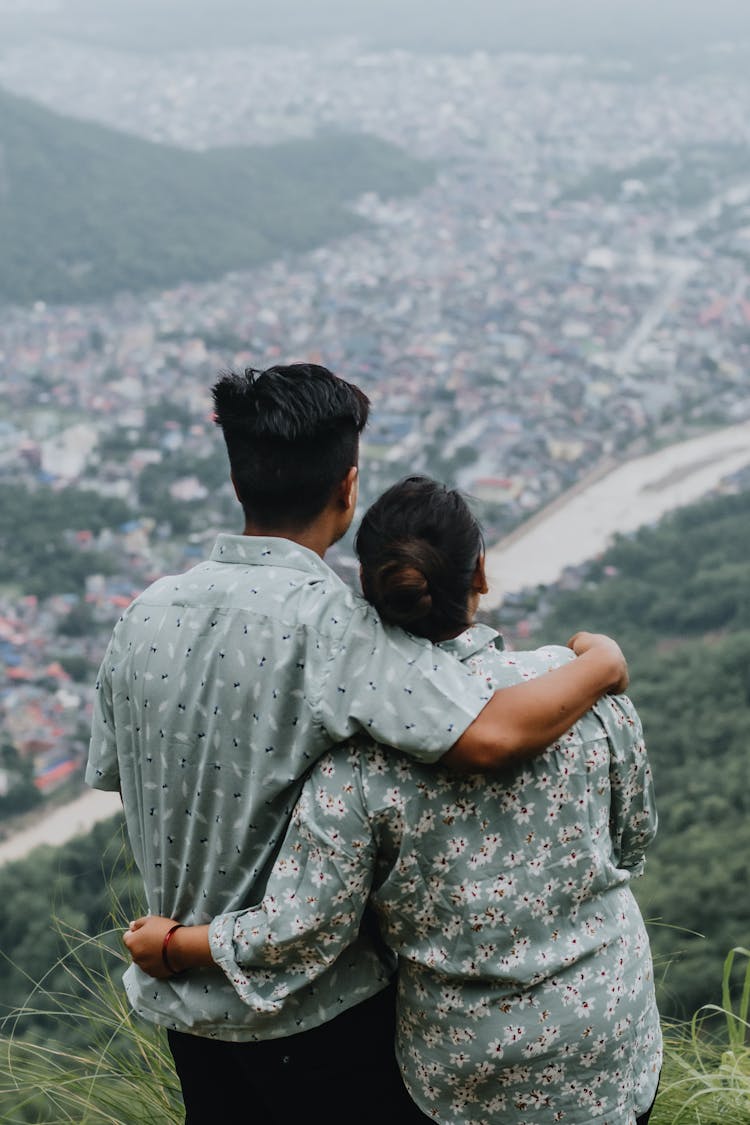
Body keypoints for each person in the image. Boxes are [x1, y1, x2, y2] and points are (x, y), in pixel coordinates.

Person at [89, 364, 628, 1124]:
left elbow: (116, 771)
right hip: (322, 1014)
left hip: (187, 1011)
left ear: (240, 479)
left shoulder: (143, 614)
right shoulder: (333, 627)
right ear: (348, 487)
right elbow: (490, 734)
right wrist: (600, 662)